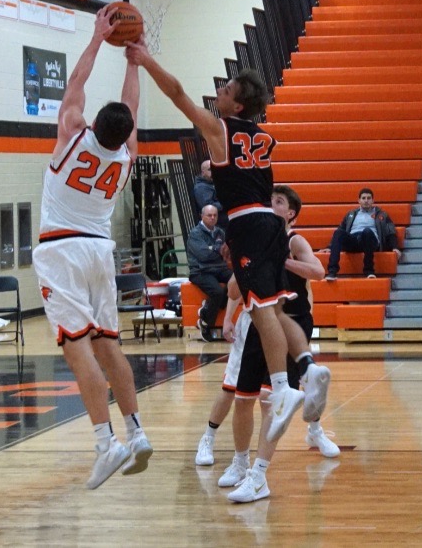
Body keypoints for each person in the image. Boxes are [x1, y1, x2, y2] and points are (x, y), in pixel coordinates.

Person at [124, 47, 331, 443]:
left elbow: (178, 94)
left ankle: (285, 386)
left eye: (227, 88)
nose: (219, 89)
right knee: (268, 306)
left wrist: (146, 60)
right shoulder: (263, 137)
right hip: (268, 225)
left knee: (260, 309)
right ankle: (301, 367)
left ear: (236, 102)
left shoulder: (221, 130)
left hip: (247, 221)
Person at [33, 7, 153, 490]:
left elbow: (74, 86)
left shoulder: (72, 132)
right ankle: (136, 430)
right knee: (108, 345)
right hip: (101, 251)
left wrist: (96, 39)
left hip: (61, 249)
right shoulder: (128, 157)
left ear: (92, 122)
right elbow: (132, 110)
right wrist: (133, 62)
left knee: (75, 346)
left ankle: (106, 445)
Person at [196, 186, 339, 504]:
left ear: (290, 213)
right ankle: (240, 462)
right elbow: (235, 290)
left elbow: (317, 271)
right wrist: (237, 288)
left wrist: (280, 262)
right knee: (244, 397)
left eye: (278, 202)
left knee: (281, 395)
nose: (270, 206)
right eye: (269, 200)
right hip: (260, 324)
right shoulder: (256, 241)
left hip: (292, 321)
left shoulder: (294, 241)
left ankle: (271, 464)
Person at [322, 187, 401, 280]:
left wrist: (395, 247)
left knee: (367, 231)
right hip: (354, 240)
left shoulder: (382, 214)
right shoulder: (351, 214)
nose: (366, 201)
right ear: (359, 200)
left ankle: (369, 271)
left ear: (373, 200)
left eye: (368, 198)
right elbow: (341, 229)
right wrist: (329, 247)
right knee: (338, 232)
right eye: (363, 198)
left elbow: (390, 231)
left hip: (370, 240)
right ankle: (332, 272)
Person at [187, 204, 232, 342]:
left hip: (218, 268)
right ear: (202, 216)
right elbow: (203, 255)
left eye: (215, 215)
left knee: (238, 279)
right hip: (200, 270)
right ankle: (205, 322)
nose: (213, 218)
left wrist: (213, 249)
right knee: (217, 291)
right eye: (209, 215)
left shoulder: (220, 232)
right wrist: (218, 250)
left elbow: (227, 252)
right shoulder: (195, 234)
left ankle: (213, 306)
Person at [193, 159, 228, 229]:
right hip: (217, 224)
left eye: (213, 170)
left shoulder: (211, 183)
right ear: (203, 172)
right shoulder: (201, 187)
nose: (213, 172)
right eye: (209, 170)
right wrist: (225, 203)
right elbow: (208, 206)